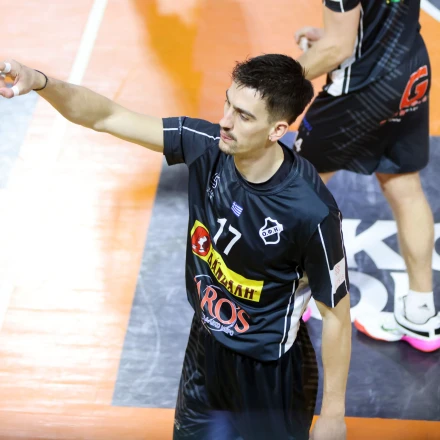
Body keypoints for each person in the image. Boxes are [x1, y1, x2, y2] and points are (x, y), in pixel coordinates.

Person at [0, 55, 351, 440]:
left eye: (244, 116)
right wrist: (41, 81)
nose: (225, 122)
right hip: (205, 345)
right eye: (228, 103)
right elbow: (105, 116)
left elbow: (335, 314)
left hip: (267, 373)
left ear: (277, 129)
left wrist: (334, 415)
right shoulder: (207, 146)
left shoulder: (311, 211)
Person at [294, 0, 440, 352]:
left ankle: (289, 298)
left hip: (362, 87)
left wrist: (271, 79)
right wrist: (345, 34)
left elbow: (337, 49)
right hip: (409, 75)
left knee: (296, 187)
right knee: (404, 186)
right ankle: (421, 313)